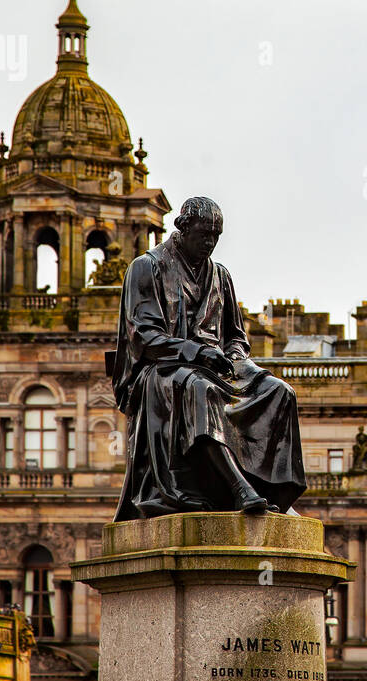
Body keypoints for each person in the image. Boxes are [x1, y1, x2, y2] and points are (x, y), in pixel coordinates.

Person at [111, 196, 305, 519]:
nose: (210, 243)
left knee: (280, 392)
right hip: (162, 371)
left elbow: (237, 337)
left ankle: (273, 492)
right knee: (200, 389)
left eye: (216, 237)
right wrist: (197, 352)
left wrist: (237, 360)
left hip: (216, 368)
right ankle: (238, 488)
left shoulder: (220, 276)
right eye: (204, 235)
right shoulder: (146, 268)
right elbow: (143, 336)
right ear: (182, 227)